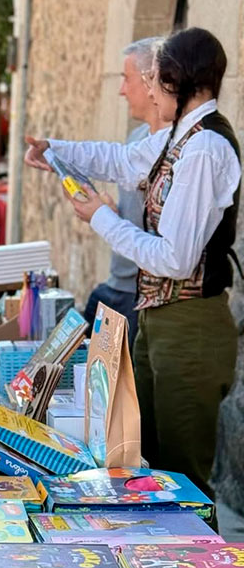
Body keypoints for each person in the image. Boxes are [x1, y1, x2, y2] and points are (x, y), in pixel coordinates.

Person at [25, 28, 239, 503]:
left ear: (176, 81)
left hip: (190, 326)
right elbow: (122, 161)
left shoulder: (204, 148)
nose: (147, 91)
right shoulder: (181, 137)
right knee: (152, 468)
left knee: (184, 480)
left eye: (154, 80)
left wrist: (101, 217)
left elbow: (175, 259)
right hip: (162, 321)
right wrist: (54, 150)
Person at [82, 37, 169, 349]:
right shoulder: (135, 138)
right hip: (115, 285)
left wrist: (103, 217)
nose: (121, 90)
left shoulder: (179, 150)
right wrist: (108, 211)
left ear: (149, 81)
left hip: (142, 296)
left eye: (126, 78)